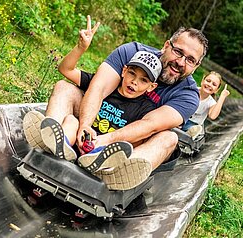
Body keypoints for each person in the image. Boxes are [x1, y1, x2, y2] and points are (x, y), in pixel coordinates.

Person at [24, 15, 209, 190]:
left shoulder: (188, 95)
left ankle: (113, 173)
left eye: (191, 60)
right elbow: (98, 88)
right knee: (64, 88)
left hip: (123, 146)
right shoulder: (133, 52)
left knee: (170, 138)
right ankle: (51, 143)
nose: (181, 62)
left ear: (196, 66)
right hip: (95, 122)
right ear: (166, 45)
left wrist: (104, 141)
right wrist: (85, 127)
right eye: (178, 52)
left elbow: (150, 125)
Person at [182, 71, 230, 139]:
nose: (210, 85)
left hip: (192, 124)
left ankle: (190, 133)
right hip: (181, 117)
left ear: (216, 90)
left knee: (196, 128)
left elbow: (212, 116)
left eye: (214, 84)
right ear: (202, 81)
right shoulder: (192, 90)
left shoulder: (211, 102)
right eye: (208, 81)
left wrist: (222, 97)